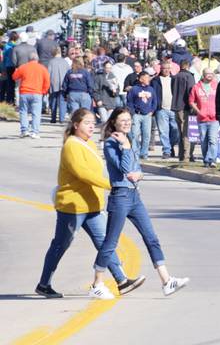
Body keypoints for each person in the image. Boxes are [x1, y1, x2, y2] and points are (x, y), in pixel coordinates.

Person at [35, 109, 142, 299]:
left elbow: (99, 171)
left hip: (92, 205)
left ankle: (121, 280)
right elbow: (83, 173)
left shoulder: (90, 143)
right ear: (76, 125)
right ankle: (44, 284)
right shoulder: (71, 146)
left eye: (93, 123)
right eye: (87, 123)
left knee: (105, 242)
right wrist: (112, 185)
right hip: (73, 206)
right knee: (61, 244)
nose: (91, 126)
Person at [89, 108, 189, 299]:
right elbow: (125, 168)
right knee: (110, 242)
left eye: (128, 120)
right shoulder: (111, 143)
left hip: (134, 196)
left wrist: (139, 173)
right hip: (120, 197)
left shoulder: (129, 140)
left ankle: (167, 281)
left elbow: (137, 168)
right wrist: (125, 147)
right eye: (122, 120)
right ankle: (97, 283)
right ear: (114, 123)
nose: (126, 123)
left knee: (151, 237)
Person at [12, 51, 50, 138]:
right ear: (37, 59)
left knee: (23, 111)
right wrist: (43, 91)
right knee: (36, 113)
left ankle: (24, 130)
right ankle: (35, 132)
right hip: (37, 93)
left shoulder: (23, 67)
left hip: (24, 92)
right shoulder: (43, 68)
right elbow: (47, 82)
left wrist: (16, 71)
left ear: (28, 59)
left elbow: (14, 77)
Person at [189, 68, 219, 168]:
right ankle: (206, 159)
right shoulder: (196, 87)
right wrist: (198, 111)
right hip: (202, 119)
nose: (210, 75)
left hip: (214, 118)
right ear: (203, 74)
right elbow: (191, 101)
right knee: (203, 140)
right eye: (207, 73)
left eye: (211, 73)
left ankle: (212, 159)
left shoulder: (216, 86)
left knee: (213, 140)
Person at [127, 71, 158, 161]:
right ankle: (135, 152)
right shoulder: (134, 89)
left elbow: (154, 101)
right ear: (141, 79)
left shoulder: (151, 89)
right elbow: (129, 102)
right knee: (134, 134)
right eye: (146, 77)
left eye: (149, 77)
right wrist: (132, 112)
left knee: (146, 135)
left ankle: (144, 153)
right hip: (137, 114)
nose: (148, 79)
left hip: (147, 115)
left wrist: (152, 111)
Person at [153, 60, 178, 159]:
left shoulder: (175, 79)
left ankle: (171, 145)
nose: (166, 70)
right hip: (161, 109)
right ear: (161, 69)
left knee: (176, 131)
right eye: (164, 69)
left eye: (168, 68)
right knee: (163, 132)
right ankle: (166, 150)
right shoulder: (155, 81)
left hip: (173, 109)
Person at [171, 60, 195, 162]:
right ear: (188, 66)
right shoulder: (189, 76)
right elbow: (191, 92)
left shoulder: (175, 76)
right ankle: (186, 155)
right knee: (186, 132)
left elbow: (173, 90)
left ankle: (181, 155)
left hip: (176, 106)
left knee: (181, 132)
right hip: (185, 107)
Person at [47, 46, 70, 124]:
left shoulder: (51, 62)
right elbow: (69, 73)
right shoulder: (65, 62)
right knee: (62, 102)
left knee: (53, 101)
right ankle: (61, 118)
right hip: (63, 84)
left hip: (53, 83)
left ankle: (53, 118)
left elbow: (48, 73)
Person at [3, 32, 19, 103]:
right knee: (17, 84)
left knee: (10, 84)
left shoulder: (6, 46)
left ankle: (10, 100)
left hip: (8, 66)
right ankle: (16, 100)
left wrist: (3, 67)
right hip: (16, 66)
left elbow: (4, 58)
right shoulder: (17, 46)